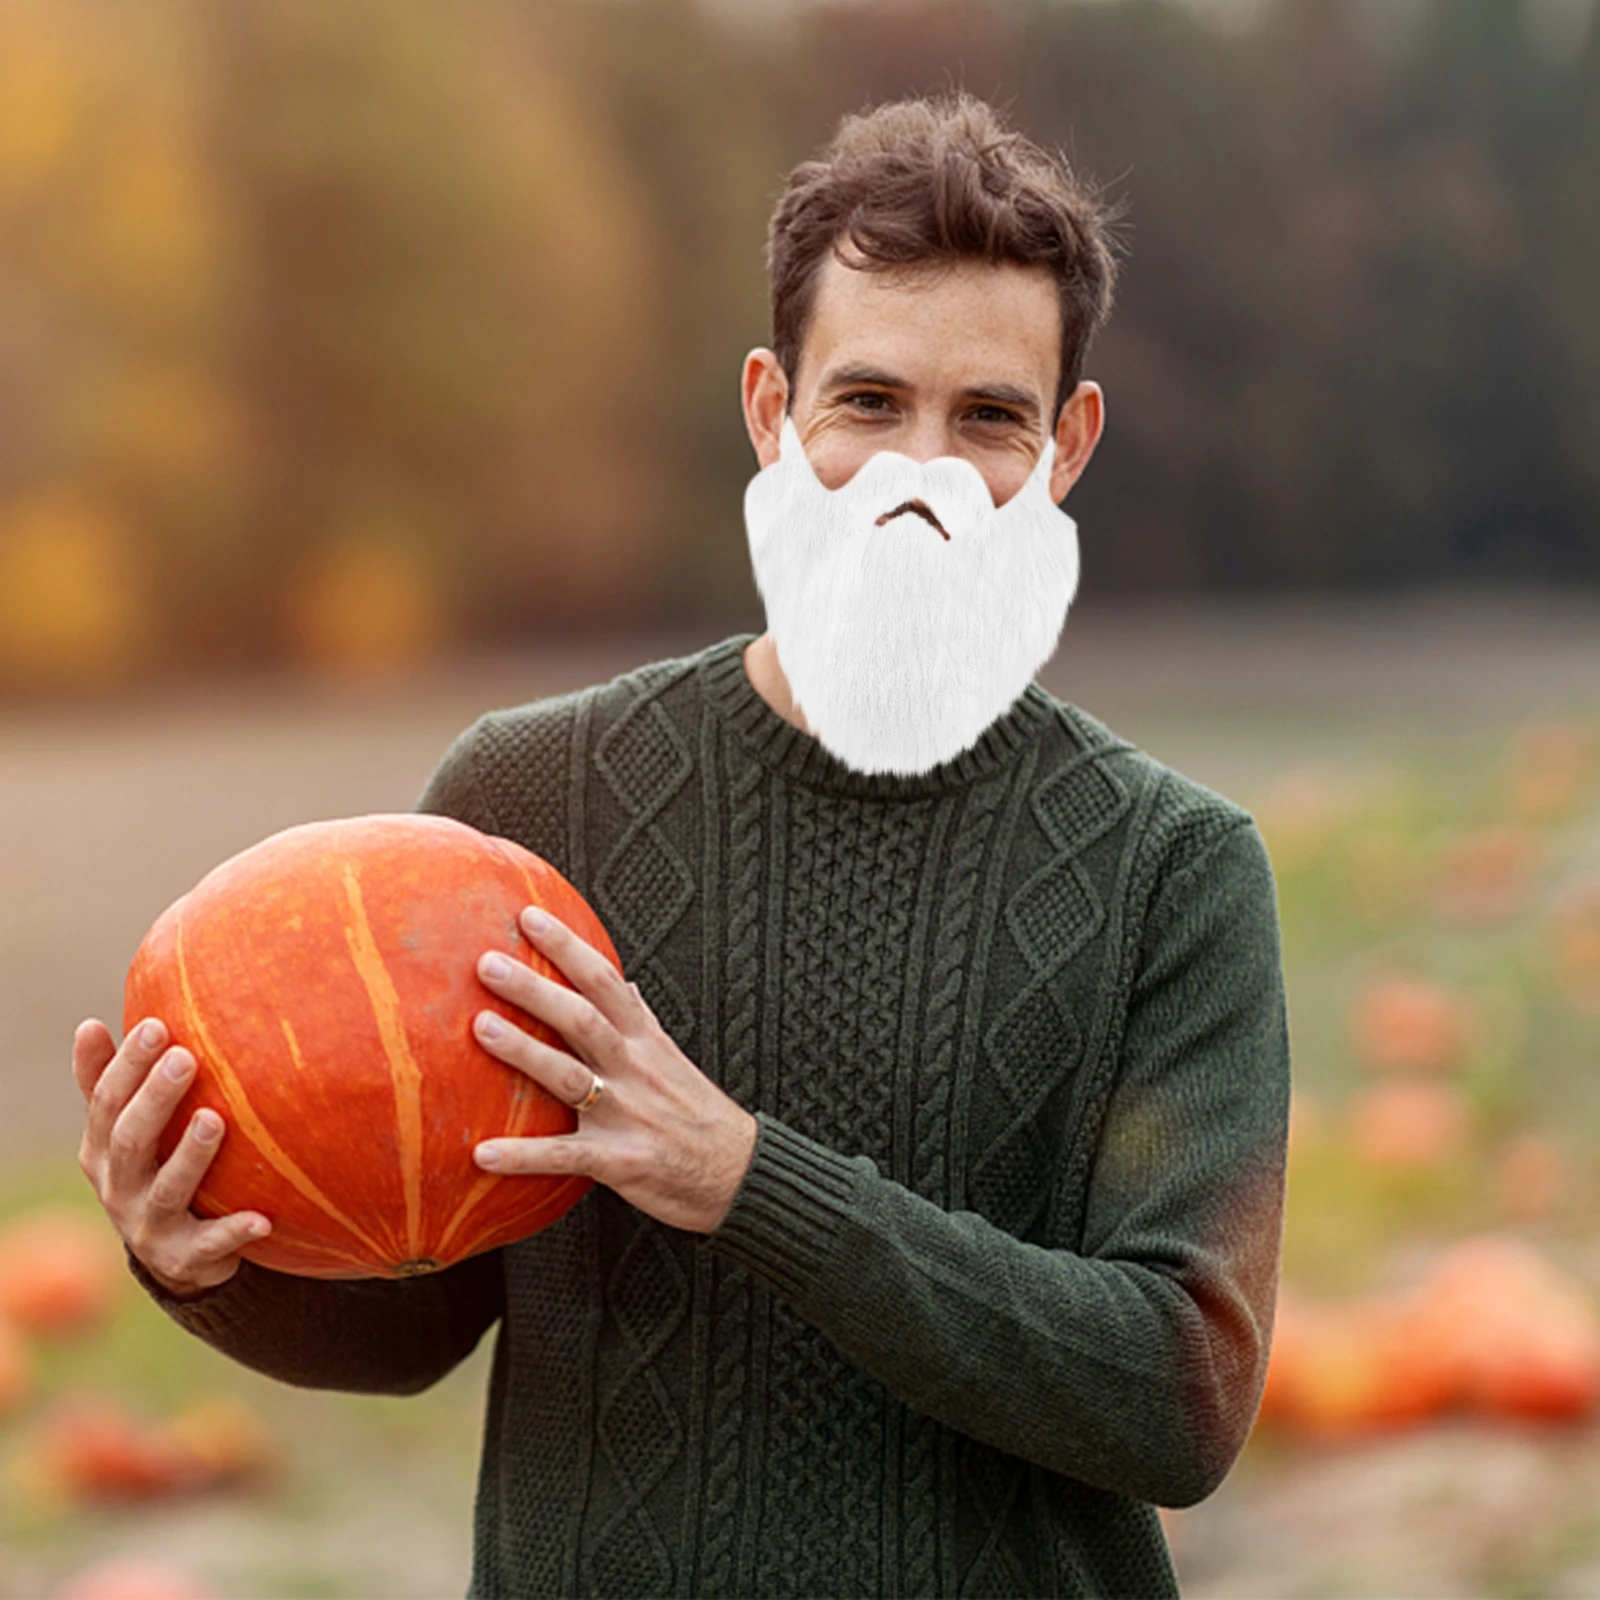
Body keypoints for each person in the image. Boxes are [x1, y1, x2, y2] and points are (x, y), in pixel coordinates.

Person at [72, 92, 1290, 1598]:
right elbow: (418, 1319)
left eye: (988, 418)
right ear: (771, 411)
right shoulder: (530, 799)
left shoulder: (1175, 870)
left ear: (1068, 446)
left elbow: (1181, 1399)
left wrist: (746, 1177)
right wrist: (200, 1257)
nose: (917, 473)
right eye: (867, 403)